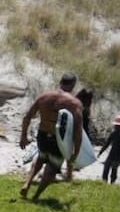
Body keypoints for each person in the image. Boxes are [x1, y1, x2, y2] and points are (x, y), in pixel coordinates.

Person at [19, 73, 84, 201]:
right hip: (59, 140)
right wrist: (75, 154)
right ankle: (36, 196)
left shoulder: (44, 97)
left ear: (60, 81)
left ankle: (27, 183)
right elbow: (78, 132)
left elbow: (27, 117)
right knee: (53, 167)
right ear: (73, 85)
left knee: (41, 157)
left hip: (42, 135)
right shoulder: (74, 103)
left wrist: (23, 136)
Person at [98, 115, 120, 184]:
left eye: (118, 125)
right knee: (106, 168)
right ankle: (104, 183)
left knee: (114, 169)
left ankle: (112, 183)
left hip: (119, 156)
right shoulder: (114, 134)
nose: (116, 127)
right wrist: (100, 152)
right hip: (112, 154)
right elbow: (107, 144)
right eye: (116, 125)